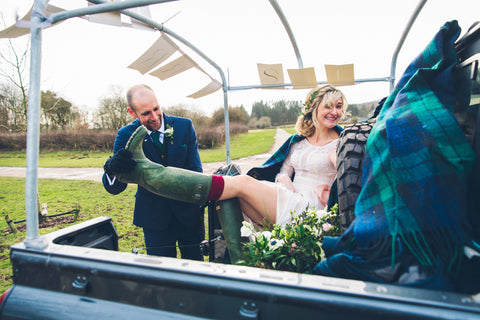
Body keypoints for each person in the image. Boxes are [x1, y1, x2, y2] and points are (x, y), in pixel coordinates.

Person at [102, 84, 204, 260]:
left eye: (156, 109)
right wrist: (112, 169)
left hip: (188, 214)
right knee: (161, 273)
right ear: (132, 113)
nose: (155, 117)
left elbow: (196, 171)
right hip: (154, 218)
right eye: (146, 113)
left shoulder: (184, 126)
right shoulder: (125, 135)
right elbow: (115, 187)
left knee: (196, 266)